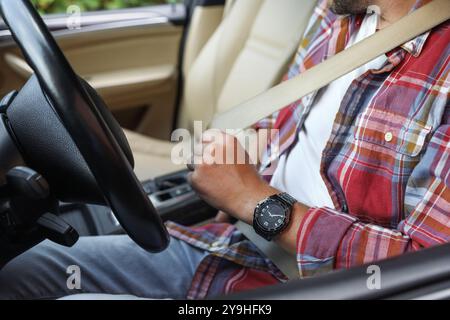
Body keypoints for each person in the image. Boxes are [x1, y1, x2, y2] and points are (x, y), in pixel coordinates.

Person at [0, 0, 448, 300]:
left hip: (320, 284)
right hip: (239, 243)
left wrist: (257, 202)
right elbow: (288, 115)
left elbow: (426, 269)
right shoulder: (339, 14)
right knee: (22, 270)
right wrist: (240, 168)